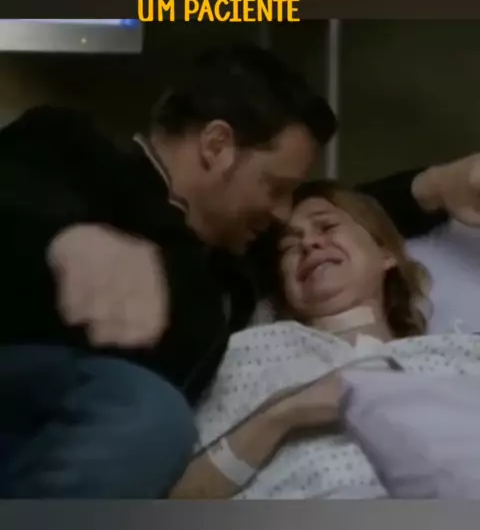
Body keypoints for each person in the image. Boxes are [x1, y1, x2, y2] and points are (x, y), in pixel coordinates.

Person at [0, 43, 479, 497]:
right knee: (150, 413)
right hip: (28, 396)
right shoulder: (75, 152)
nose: (283, 214)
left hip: (97, 463)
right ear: (216, 145)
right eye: (276, 187)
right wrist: (68, 236)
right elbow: (17, 184)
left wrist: (436, 186)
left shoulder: (231, 266)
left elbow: (348, 226)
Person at [172, 179, 480, 500]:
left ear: (385, 253)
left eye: (327, 226)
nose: (309, 243)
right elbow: (180, 503)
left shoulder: (458, 354)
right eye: (289, 247)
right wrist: (284, 413)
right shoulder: (250, 354)